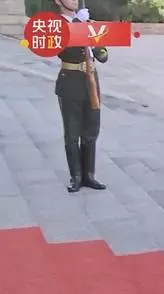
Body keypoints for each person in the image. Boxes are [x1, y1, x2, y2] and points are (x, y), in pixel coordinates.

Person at [52, 0, 108, 193]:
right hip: (70, 81)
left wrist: (93, 35)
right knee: (72, 132)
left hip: (91, 80)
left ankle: (89, 175)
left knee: (91, 129)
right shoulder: (56, 24)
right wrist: (77, 24)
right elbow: (62, 51)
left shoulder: (86, 21)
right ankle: (75, 176)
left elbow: (103, 55)